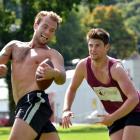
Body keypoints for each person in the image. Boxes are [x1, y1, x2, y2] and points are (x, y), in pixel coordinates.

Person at [62, 28, 140, 140]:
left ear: (107, 47)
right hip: (115, 115)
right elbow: (72, 88)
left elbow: (134, 98)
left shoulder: (116, 69)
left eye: (97, 45)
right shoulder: (83, 66)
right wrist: (66, 110)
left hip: (135, 110)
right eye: (90, 45)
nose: (93, 49)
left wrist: (112, 117)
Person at [0, 11, 66, 140]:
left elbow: (62, 77)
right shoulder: (14, 46)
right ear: (36, 25)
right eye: (45, 27)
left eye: (52, 30)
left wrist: (54, 73)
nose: (47, 32)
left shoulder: (52, 54)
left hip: (34, 101)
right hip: (23, 106)